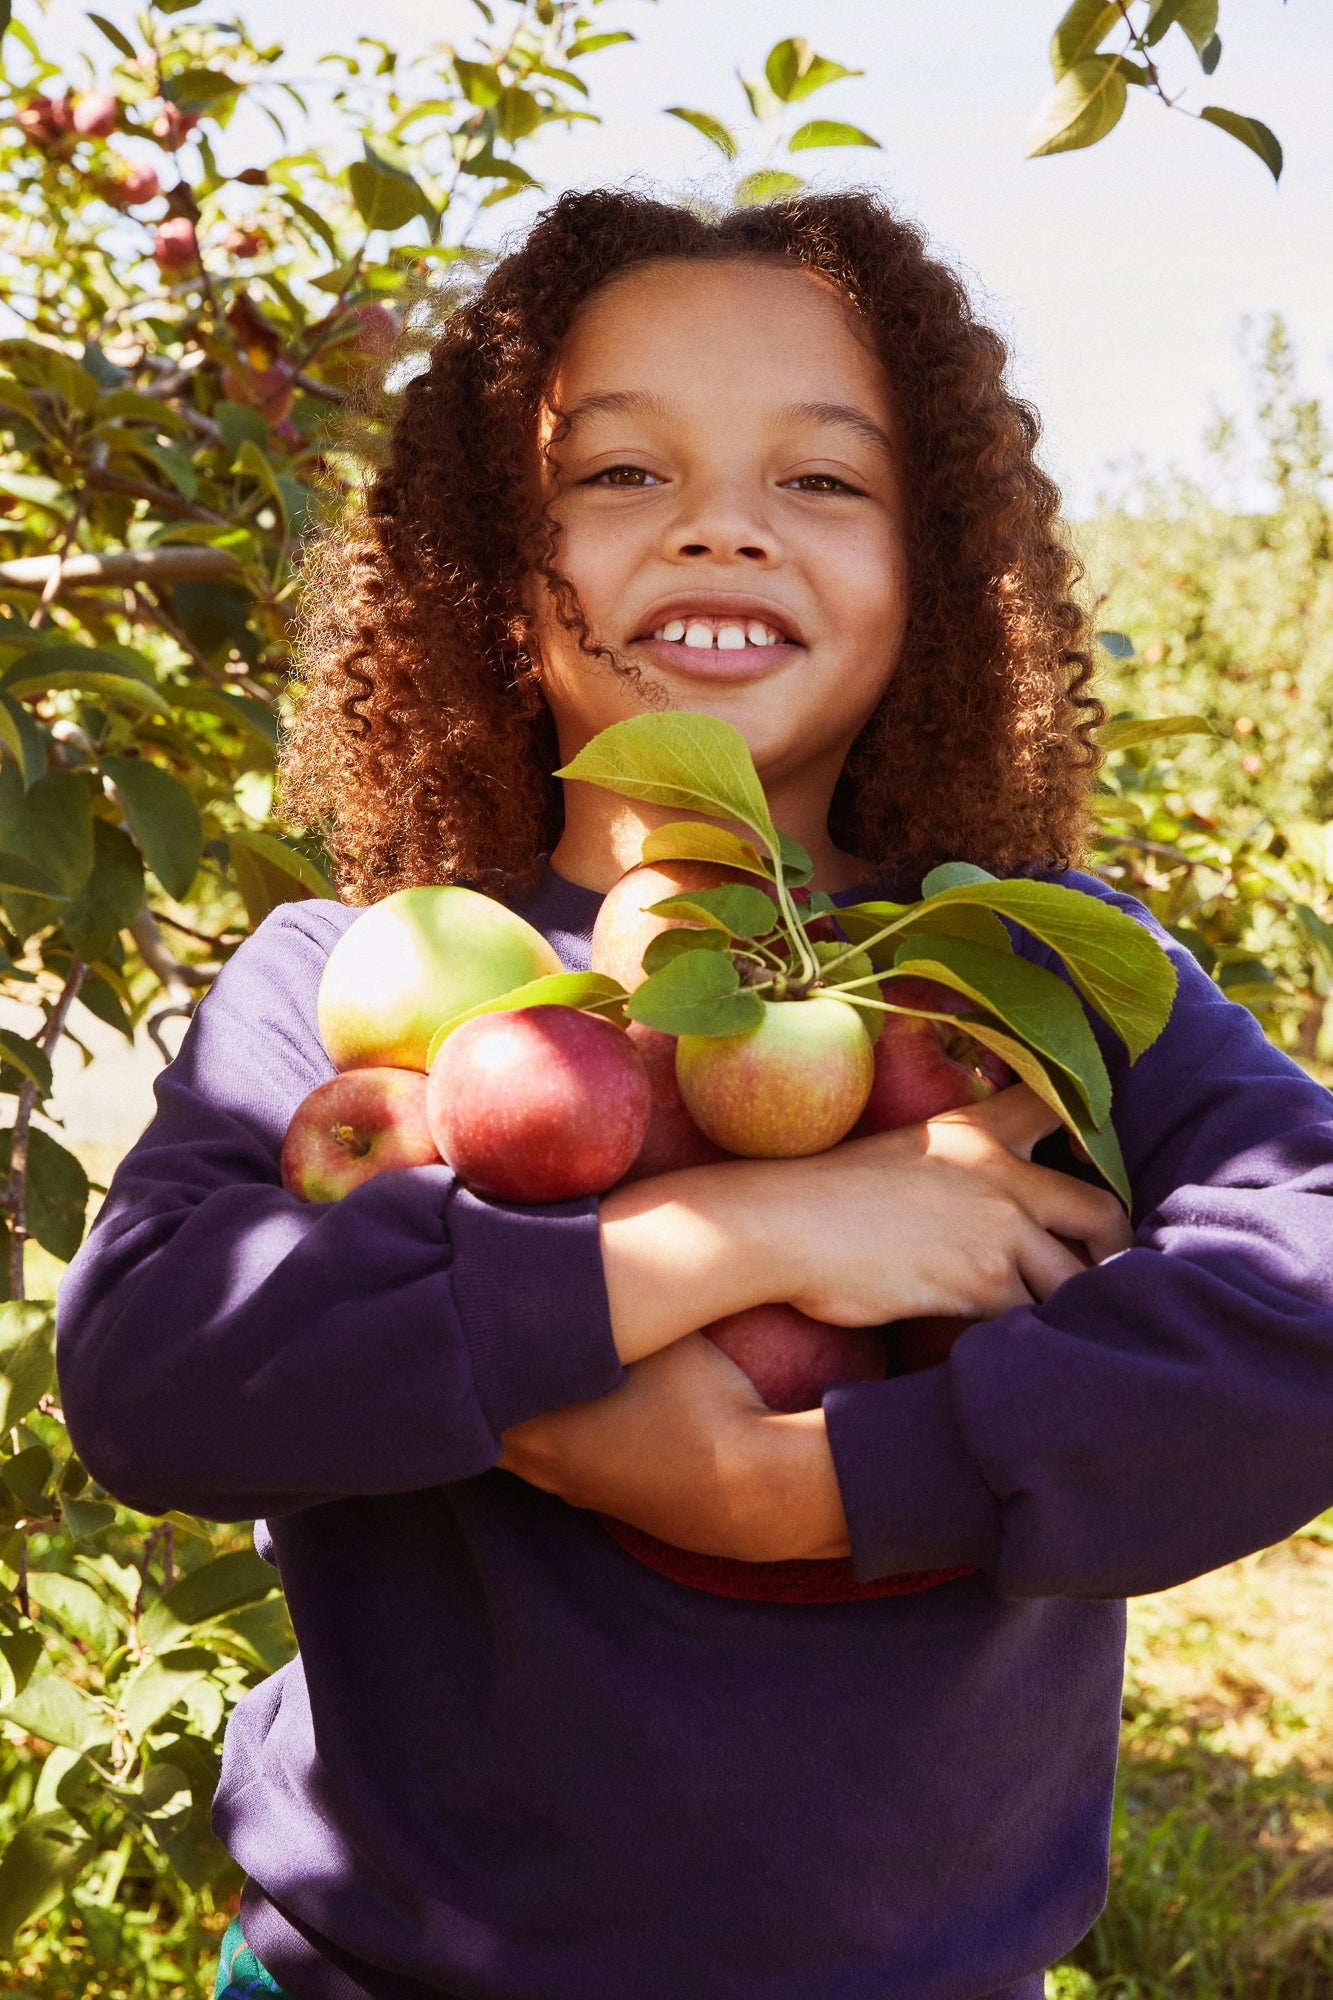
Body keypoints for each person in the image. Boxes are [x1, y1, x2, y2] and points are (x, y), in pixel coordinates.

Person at [57, 189, 1333, 2000]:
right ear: (495, 574)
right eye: (619, 476)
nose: (723, 524)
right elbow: (159, 1368)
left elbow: (1311, 1283)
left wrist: (821, 1489)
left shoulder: (1016, 978)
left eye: (822, 481)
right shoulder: (366, 980)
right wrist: (750, 1227)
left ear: (940, 568)